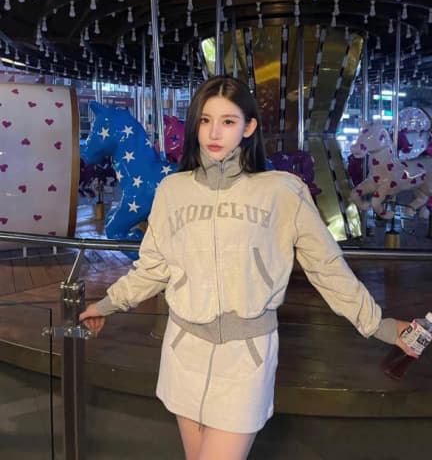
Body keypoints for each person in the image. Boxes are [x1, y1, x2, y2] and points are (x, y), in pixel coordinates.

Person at [79, 76, 417, 460]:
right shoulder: (174, 190)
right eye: (205, 120)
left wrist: (380, 325)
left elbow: (326, 266)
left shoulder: (282, 190)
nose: (214, 133)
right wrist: (106, 304)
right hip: (183, 352)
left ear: (248, 126)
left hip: (246, 357)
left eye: (227, 121)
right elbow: (153, 268)